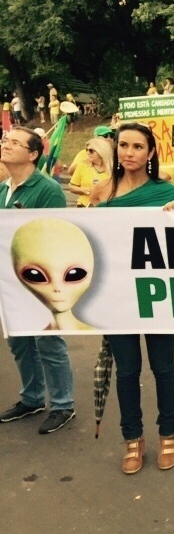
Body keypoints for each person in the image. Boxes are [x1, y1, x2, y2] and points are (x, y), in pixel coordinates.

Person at [95, 123, 174, 473]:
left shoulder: (167, 192)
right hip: (117, 296)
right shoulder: (102, 191)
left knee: (163, 368)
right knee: (127, 371)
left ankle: (169, 434)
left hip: (156, 295)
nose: (129, 152)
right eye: (123, 146)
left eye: (137, 147)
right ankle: (132, 438)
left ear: (150, 153)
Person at [0, 127, 76, 435]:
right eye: (5, 140)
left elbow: (55, 235)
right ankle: (31, 398)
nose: (6, 144)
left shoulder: (47, 189)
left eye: (15, 143)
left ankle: (62, 404)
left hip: (39, 280)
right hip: (8, 279)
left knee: (48, 341)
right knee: (19, 342)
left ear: (33, 154)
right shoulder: (4, 188)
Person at [68, 137, 113, 207]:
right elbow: (71, 187)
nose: (88, 153)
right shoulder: (82, 165)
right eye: (87, 150)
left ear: (101, 151)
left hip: (105, 208)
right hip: (83, 207)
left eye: (91, 151)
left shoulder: (113, 169)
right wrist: (83, 190)